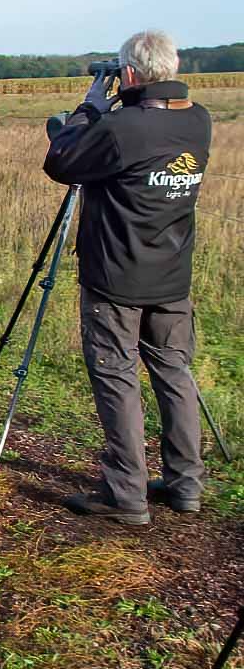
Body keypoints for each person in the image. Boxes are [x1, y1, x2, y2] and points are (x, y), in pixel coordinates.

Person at [45, 30, 212, 525]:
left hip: (116, 277)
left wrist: (90, 108)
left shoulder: (123, 128)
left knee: (117, 378)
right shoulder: (199, 121)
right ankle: (185, 484)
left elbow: (62, 162)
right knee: (174, 374)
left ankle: (126, 494)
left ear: (131, 75)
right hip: (173, 275)